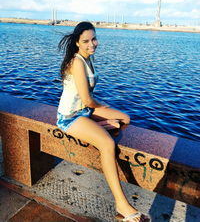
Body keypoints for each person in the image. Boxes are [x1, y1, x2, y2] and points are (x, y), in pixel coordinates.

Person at [57, 21, 150, 222]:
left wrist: (102, 109)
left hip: (85, 111)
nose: (92, 44)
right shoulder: (77, 62)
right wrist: (103, 107)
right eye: (86, 41)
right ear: (77, 43)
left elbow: (88, 100)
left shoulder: (88, 58)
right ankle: (122, 206)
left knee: (124, 119)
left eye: (94, 39)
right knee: (107, 143)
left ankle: (97, 127)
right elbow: (88, 98)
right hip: (70, 117)